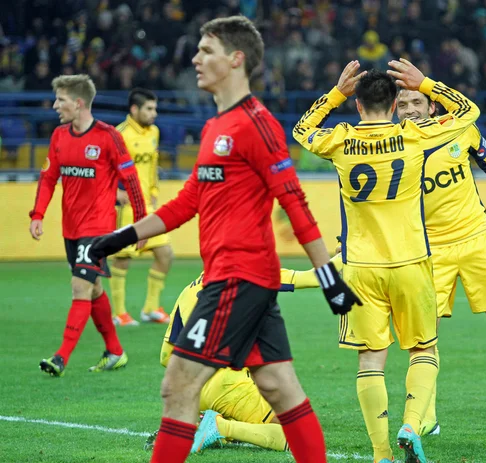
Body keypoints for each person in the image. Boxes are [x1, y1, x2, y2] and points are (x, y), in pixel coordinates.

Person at [89, 16, 360, 463]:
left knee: (178, 384)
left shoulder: (257, 124)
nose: (195, 58)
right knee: (279, 386)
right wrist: (119, 237)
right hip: (241, 279)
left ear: (236, 60)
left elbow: (294, 201)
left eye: (206, 50)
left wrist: (327, 276)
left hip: (238, 279)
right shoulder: (217, 126)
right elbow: (188, 201)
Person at [293, 59, 481, 463]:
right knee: (424, 349)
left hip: (360, 267)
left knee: (370, 359)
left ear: (358, 106)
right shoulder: (415, 135)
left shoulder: (340, 140)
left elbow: (301, 130)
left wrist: (335, 93)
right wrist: (426, 84)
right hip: (412, 261)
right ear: (396, 104)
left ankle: (381, 455)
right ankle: (412, 424)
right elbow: (469, 112)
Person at [395, 86, 486, 434]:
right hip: (428, 249)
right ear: (393, 110)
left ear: (431, 105)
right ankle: (426, 415)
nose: (410, 109)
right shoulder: (391, 146)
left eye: (416, 102)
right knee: (425, 334)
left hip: (476, 238)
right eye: (402, 104)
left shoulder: (459, 127)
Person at [146, 256, 343, 454]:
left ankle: (209, 425)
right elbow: (313, 278)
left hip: (197, 388)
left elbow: (166, 356)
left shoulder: (188, 291)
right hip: (231, 384)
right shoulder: (252, 274)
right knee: (297, 435)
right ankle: (220, 427)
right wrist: (345, 254)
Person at [29, 74, 147, 377]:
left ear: (78, 103)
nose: (55, 105)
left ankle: (60, 357)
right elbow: (48, 178)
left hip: (98, 227)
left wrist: (142, 222)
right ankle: (115, 351)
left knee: (79, 286)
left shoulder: (108, 137)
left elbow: (131, 180)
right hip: (72, 228)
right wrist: (38, 214)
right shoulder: (59, 136)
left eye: (61, 100)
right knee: (93, 288)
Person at [111, 88, 174, 326]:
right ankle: (119, 312)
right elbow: (104, 168)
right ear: (134, 109)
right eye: (149, 108)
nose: (154, 113)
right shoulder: (119, 134)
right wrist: (114, 192)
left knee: (165, 254)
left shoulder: (154, 132)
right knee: (123, 258)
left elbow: (153, 164)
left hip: (147, 205)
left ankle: (150, 308)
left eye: (155, 108)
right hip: (126, 206)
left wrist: (155, 191)